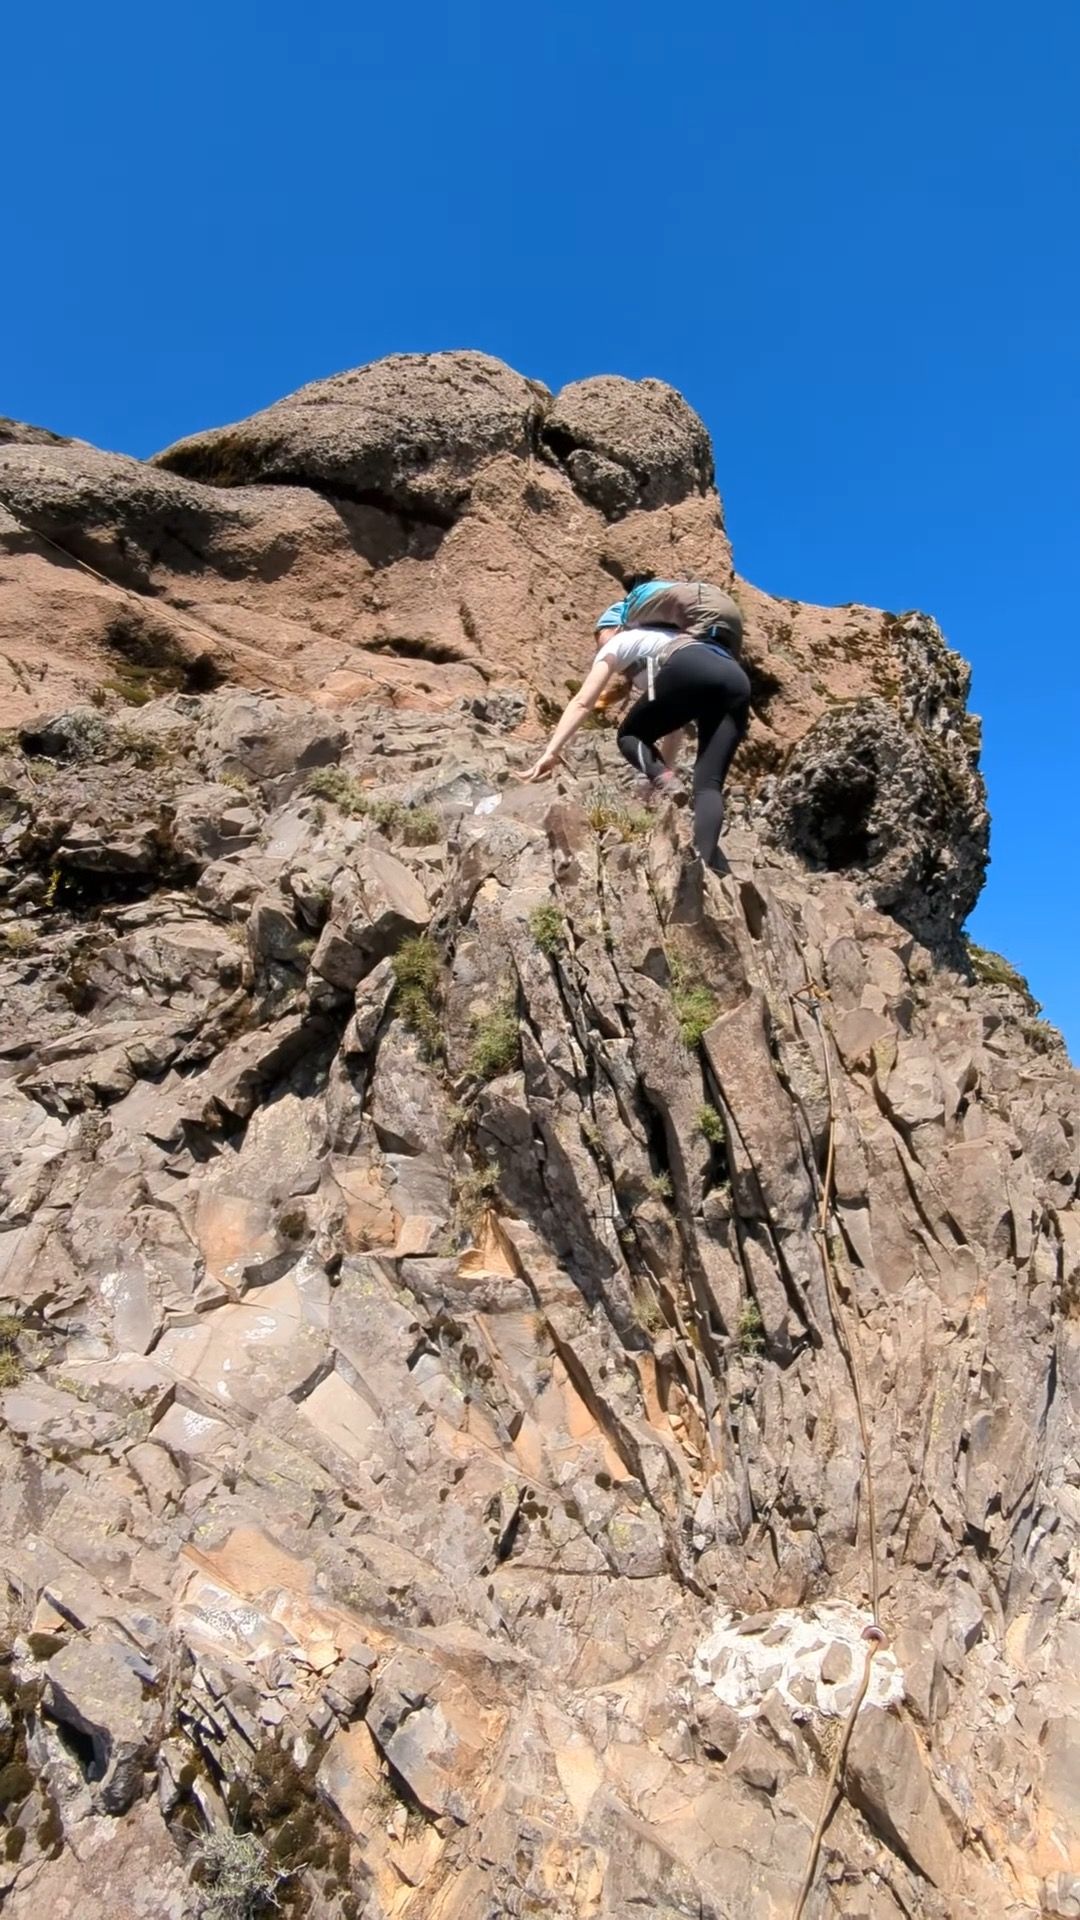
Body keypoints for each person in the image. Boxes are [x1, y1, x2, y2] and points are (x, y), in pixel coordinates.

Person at [523, 598, 751, 871]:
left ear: (616, 627)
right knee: (707, 785)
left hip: (690, 665)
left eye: (600, 633)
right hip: (736, 679)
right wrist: (662, 778)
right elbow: (673, 730)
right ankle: (707, 868)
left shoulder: (622, 641)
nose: (598, 641)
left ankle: (700, 862)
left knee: (628, 735)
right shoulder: (663, 642)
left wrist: (552, 751)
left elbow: (583, 702)